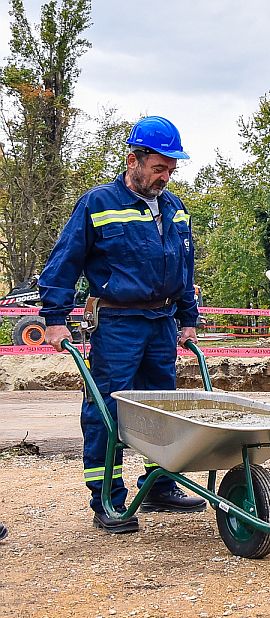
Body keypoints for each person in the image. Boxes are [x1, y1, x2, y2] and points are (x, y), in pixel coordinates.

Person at [38, 116, 206, 534]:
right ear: (133, 159)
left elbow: (184, 267)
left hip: (163, 322)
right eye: (159, 168)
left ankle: (158, 486)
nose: (165, 177)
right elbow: (64, 263)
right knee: (105, 411)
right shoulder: (98, 204)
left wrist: (188, 319)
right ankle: (107, 500)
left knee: (161, 408)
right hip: (117, 323)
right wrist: (55, 319)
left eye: (171, 169)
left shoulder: (175, 208)